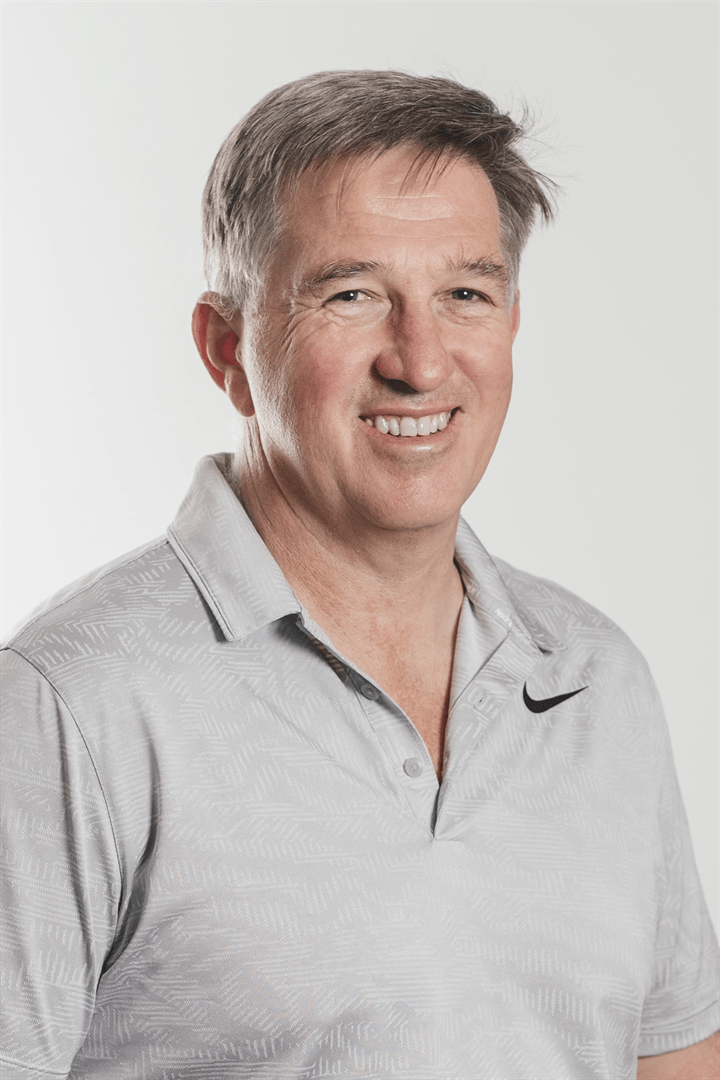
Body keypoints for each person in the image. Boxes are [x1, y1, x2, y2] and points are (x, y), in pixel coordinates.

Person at [1, 70, 717, 1080]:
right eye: (352, 296)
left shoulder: (597, 681)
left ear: (512, 324)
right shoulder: (70, 704)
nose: (420, 363)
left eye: (465, 294)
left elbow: (676, 1060)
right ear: (227, 349)